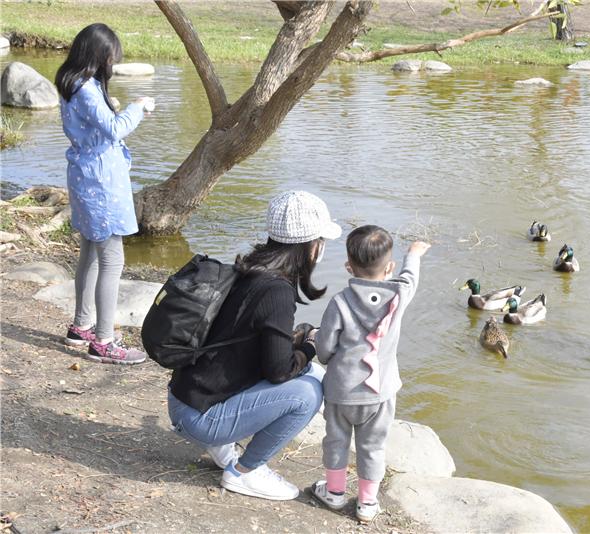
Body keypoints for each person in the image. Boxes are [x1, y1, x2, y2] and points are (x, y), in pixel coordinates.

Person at [168, 190, 341, 501]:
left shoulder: (248, 268)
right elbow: (278, 372)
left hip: (187, 397)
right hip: (198, 417)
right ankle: (245, 472)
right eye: (321, 241)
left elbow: (248, 347)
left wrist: (296, 343)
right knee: (310, 389)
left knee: (305, 374)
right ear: (310, 246)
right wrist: (311, 345)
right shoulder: (277, 291)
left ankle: (223, 447)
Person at [311, 225, 430, 522]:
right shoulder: (398, 297)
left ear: (348, 267)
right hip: (380, 394)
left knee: (336, 440)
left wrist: (326, 356)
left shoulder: (339, 302)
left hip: (340, 392)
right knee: (373, 445)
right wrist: (413, 253)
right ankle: (366, 503)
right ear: (389, 267)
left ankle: (335, 493)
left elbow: (324, 348)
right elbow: (410, 279)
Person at [56, 23, 154, 364]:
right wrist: (137, 106)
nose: (113, 62)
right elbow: (114, 130)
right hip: (100, 183)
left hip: (88, 177)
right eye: (111, 56)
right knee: (113, 259)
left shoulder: (75, 83)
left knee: (90, 252)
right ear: (98, 55)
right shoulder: (84, 88)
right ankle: (104, 341)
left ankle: (81, 327)